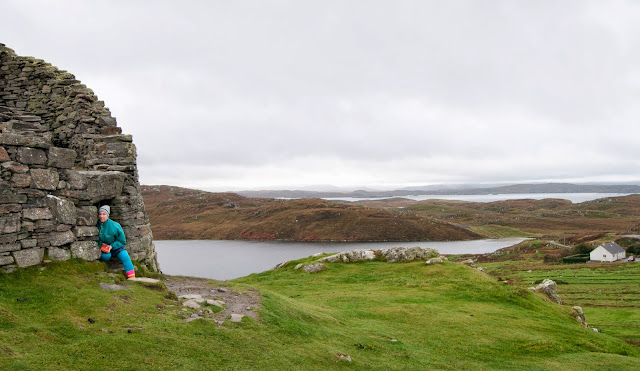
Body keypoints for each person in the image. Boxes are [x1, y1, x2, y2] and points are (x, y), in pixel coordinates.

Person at [97, 205, 135, 279]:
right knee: (105, 257)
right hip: (104, 248)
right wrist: (101, 246)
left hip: (116, 247)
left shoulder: (115, 226)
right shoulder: (96, 225)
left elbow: (122, 241)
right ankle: (103, 270)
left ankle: (132, 278)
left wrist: (111, 246)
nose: (101, 216)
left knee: (125, 257)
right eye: (100, 214)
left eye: (104, 214)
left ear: (108, 215)